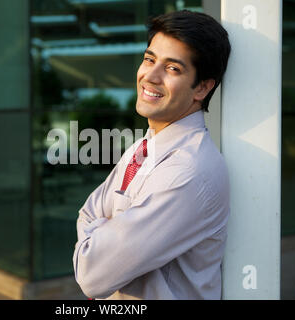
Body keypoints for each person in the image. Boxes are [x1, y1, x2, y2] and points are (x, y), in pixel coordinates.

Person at [73, 10, 231, 300]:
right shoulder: (144, 147)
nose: (151, 76)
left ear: (203, 87)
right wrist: (105, 234)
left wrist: (103, 237)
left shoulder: (188, 171)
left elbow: (92, 273)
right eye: (149, 59)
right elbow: (87, 212)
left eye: (173, 68)